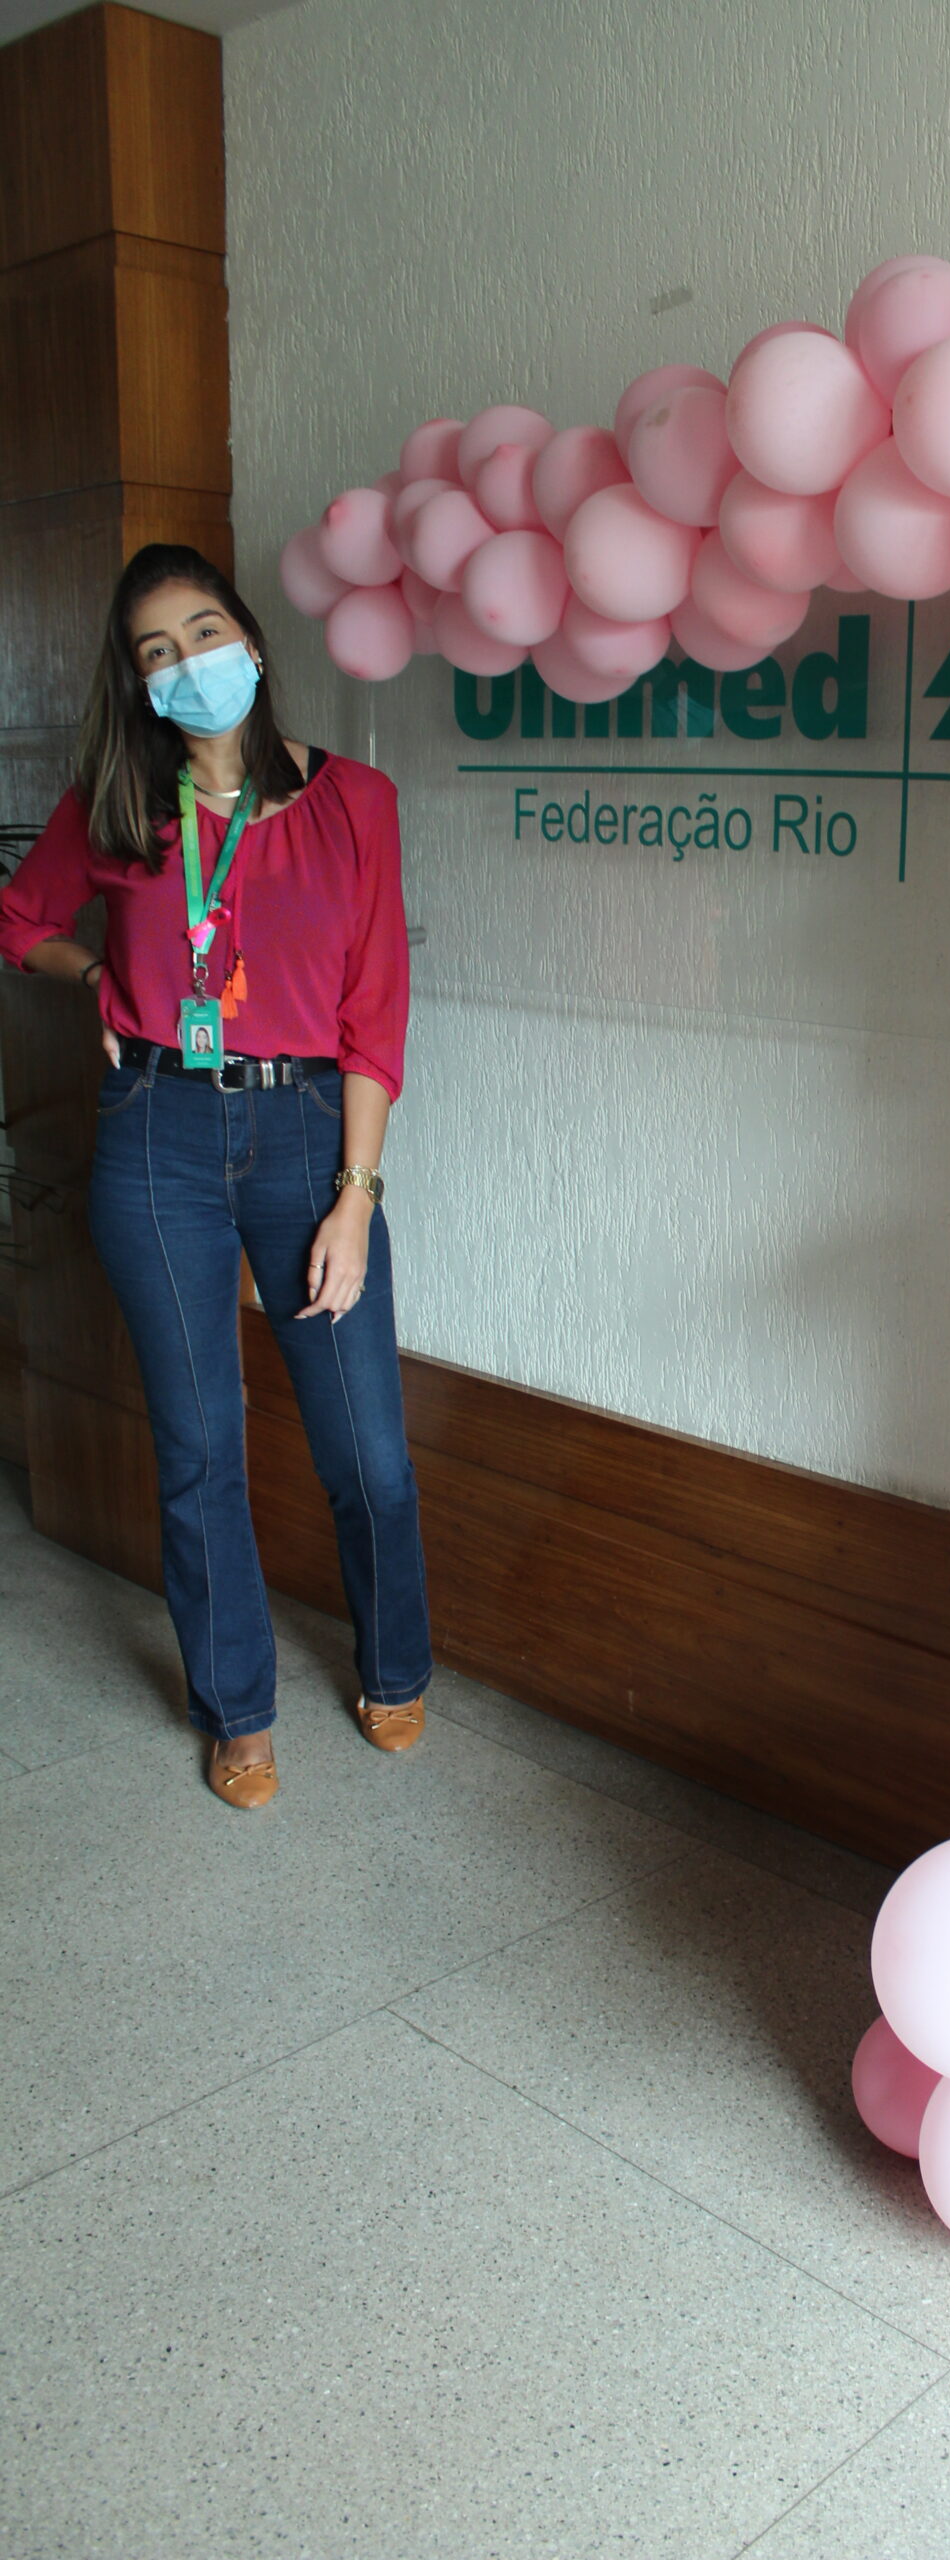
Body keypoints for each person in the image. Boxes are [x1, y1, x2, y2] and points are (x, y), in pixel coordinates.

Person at [0, 544, 432, 1810]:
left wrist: (356, 1195)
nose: (189, 664)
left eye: (202, 631)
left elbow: (375, 1017)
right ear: (138, 684)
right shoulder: (117, 810)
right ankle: (236, 1708)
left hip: (308, 1134)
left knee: (369, 1448)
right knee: (199, 1445)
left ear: (248, 636)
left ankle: (395, 1662)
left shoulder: (356, 803)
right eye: (157, 652)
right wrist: (97, 977)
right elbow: (22, 920)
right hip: (158, 1136)